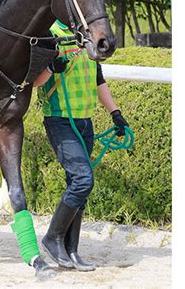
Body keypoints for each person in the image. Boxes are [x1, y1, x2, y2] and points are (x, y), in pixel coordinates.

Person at [34, 20, 129, 271]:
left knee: (79, 188)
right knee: (82, 180)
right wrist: (52, 68)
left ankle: (71, 250)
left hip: (85, 122)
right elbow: (34, 81)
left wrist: (115, 113)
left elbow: (98, 79)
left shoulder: (87, 34)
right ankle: (52, 238)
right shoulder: (49, 33)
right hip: (60, 120)